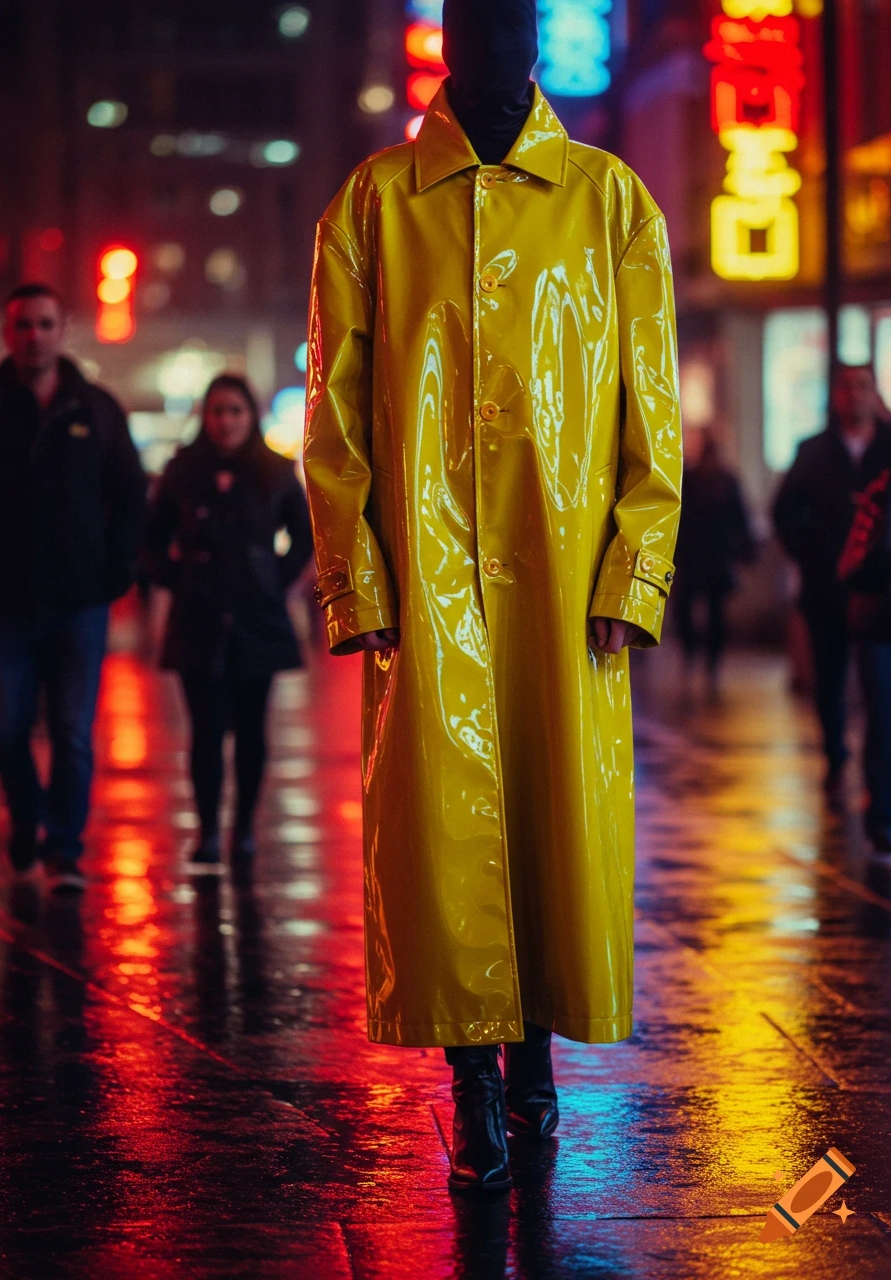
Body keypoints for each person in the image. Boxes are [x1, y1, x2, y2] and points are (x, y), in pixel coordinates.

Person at [304, 0, 682, 1194]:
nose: (491, 44)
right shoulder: (372, 205)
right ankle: (473, 1082)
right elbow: (336, 412)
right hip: (426, 576)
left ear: (531, 45)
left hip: (564, 575)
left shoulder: (610, 200)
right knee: (448, 836)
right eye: (472, 21)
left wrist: (633, 566)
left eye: (508, 23)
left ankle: (531, 1072)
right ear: (446, 45)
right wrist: (355, 573)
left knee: (544, 827)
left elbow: (648, 407)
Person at [0, 283, 146, 892]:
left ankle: (64, 849)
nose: (34, 335)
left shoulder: (96, 408)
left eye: (45, 323)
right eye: (23, 325)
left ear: (63, 330)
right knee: (5, 729)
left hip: (80, 601)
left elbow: (130, 495)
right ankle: (27, 817)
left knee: (73, 733)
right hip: (5, 603)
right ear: (9, 333)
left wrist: (117, 569)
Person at [145, 375, 312, 872]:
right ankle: (208, 831)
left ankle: (243, 828)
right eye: (217, 411)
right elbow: (152, 540)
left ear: (250, 415)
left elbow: (304, 537)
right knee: (206, 730)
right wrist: (182, 580)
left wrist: (275, 581)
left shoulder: (275, 472)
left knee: (252, 730)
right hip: (198, 619)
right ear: (205, 416)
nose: (226, 421)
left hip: (257, 620)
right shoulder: (182, 471)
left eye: (235, 411)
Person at [773, 364, 891, 809]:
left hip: (878, 594)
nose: (855, 396)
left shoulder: (886, 445)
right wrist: (811, 558)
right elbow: (784, 512)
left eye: (863, 386)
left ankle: (877, 784)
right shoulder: (813, 452)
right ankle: (836, 756)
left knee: (880, 688)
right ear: (835, 396)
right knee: (831, 678)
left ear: (874, 392)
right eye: (846, 387)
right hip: (828, 589)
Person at [838, 461, 891, 854]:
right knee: (883, 717)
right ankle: (880, 817)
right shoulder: (879, 496)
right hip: (877, 624)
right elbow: (851, 566)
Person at [674, 434, 755, 683]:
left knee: (712, 612)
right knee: (693, 610)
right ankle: (698, 656)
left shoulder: (723, 481)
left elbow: (739, 518)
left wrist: (744, 552)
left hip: (709, 557)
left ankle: (707, 660)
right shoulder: (695, 480)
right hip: (699, 557)